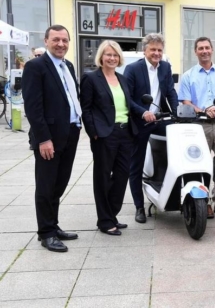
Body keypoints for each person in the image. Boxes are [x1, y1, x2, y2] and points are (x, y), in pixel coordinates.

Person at [21, 25, 80, 252]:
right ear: (46, 41)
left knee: (59, 184)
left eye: (65, 40)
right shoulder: (36, 67)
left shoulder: (68, 65)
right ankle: (45, 233)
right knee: (46, 186)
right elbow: (33, 108)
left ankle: (53, 226)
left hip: (70, 133)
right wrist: (43, 139)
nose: (61, 44)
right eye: (56, 39)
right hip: (50, 138)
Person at [80, 40, 138, 236]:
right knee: (102, 177)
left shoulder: (122, 79)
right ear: (101, 57)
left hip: (125, 134)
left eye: (115, 55)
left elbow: (128, 106)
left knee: (122, 177)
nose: (112, 58)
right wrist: (93, 132)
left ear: (119, 57)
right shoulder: (91, 79)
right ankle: (105, 221)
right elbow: (86, 109)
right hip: (105, 134)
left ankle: (111, 214)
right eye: (108, 54)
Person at [179, 37, 215, 219]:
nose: (204, 51)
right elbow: (186, 102)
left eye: (207, 48)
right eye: (200, 48)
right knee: (199, 166)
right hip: (199, 126)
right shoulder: (188, 76)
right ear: (196, 51)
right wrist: (204, 110)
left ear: (212, 50)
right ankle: (203, 203)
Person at [125, 33, 179, 224]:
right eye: (153, 50)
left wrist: (177, 113)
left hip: (159, 119)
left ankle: (167, 189)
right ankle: (139, 206)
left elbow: (171, 91)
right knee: (136, 165)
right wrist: (142, 112)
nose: (156, 53)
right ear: (144, 50)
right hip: (139, 121)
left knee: (176, 148)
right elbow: (127, 98)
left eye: (159, 50)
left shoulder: (165, 67)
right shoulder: (132, 69)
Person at [27, 47, 46, 150]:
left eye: (40, 55)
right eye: (36, 55)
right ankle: (32, 141)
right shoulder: (32, 66)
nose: (37, 57)